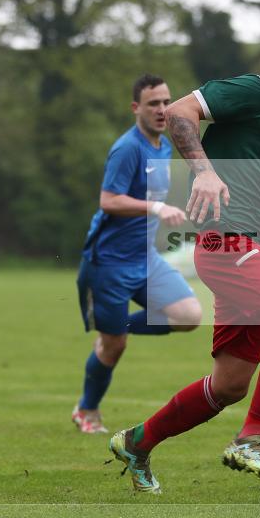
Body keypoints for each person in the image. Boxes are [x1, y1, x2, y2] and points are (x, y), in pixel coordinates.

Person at [108, 24, 260, 494]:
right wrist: (201, 172)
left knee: (229, 386)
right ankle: (249, 439)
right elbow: (181, 111)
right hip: (225, 244)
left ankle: (138, 441)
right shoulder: (256, 92)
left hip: (258, 249)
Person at [73, 74, 202, 434]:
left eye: (165, 102)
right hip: (108, 264)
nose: (162, 110)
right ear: (136, 108)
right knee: (114, 349)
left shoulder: (162, 145)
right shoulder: (127, 148)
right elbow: (108, 200)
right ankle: (87, 410)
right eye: (153, 104)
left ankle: (114, 327)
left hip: (145, 259)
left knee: (189, 315)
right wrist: (156, 209)